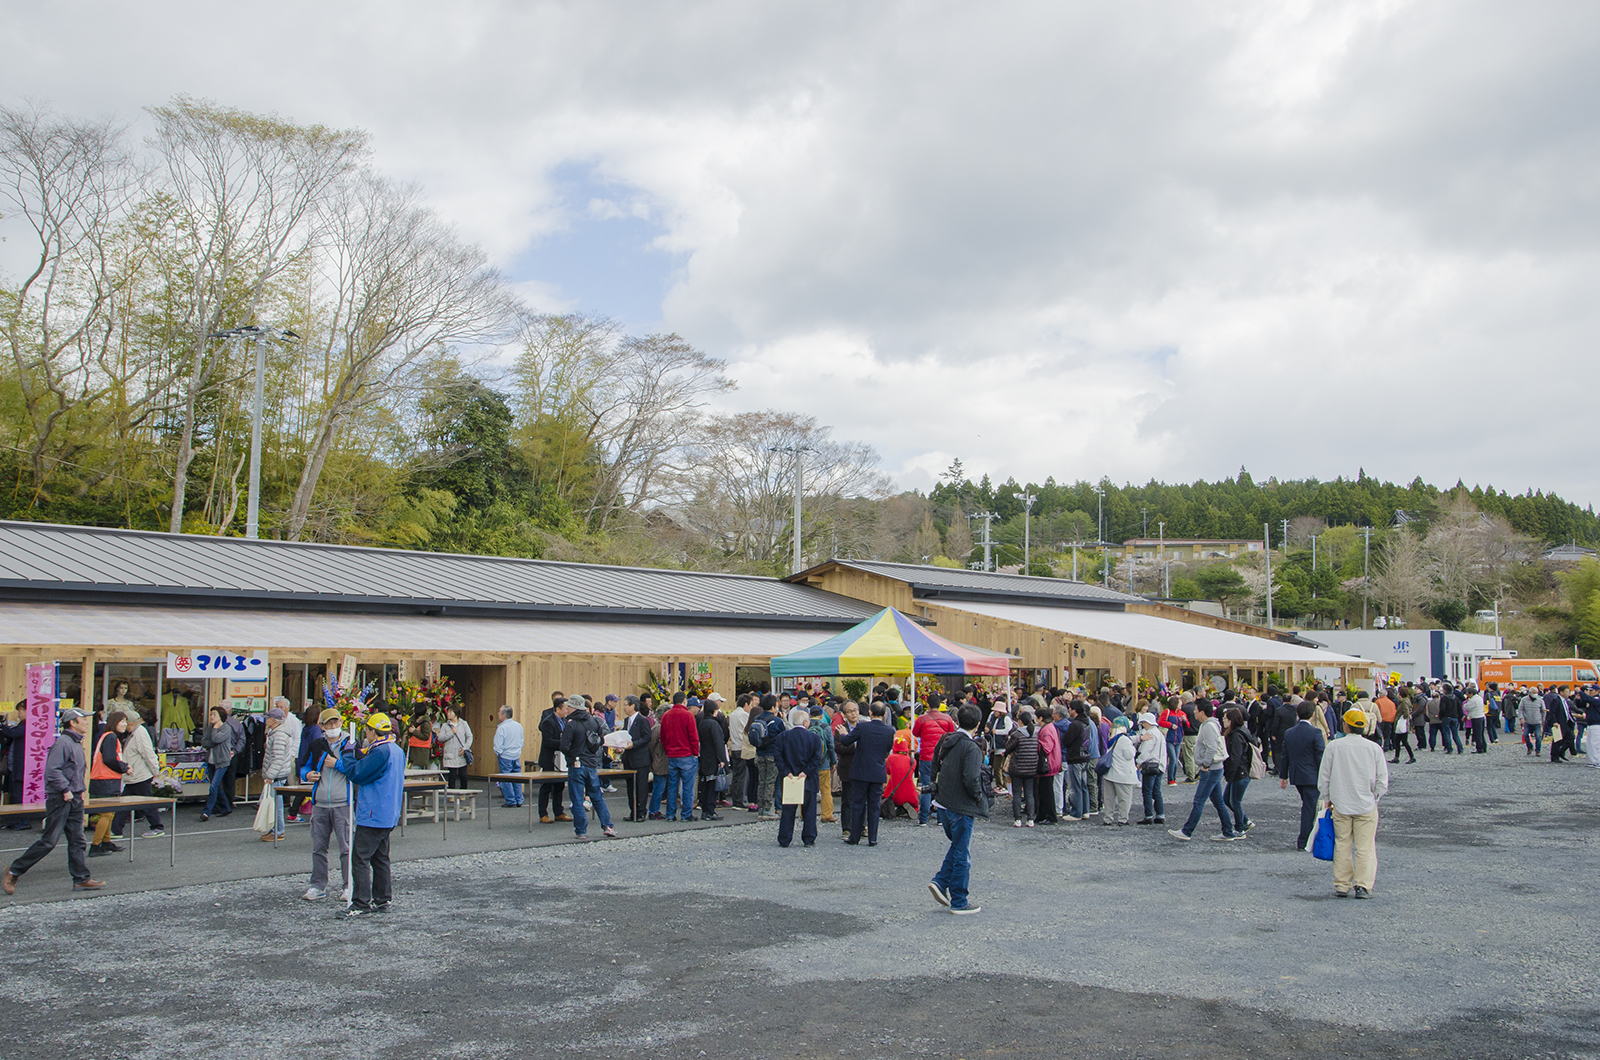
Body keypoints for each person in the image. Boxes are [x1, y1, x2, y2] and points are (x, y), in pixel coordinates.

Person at [3, 708, 102, 894]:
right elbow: (52, 770)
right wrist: (65, 789)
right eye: (84, 719)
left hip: (74, 797)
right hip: (62, 798)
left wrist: (77, 791)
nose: (87, 722)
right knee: (49, 841)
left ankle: (81, 879)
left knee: (78, 839)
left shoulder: (75, 742)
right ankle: (14, 870)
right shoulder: (63, 743)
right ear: (73, 722)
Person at [337, 712, 405, 916]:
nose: (366, 733)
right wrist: (358, 754)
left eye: (367, 730)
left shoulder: (380, 752)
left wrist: (348, 755)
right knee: (380, 857)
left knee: (360, 857)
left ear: (374, 732)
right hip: (388, 811)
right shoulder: (395, 749)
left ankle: (360, 902)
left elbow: (357, 773)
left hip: (374, 812)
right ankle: (383, 899)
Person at [1319, 708, 1390, 899]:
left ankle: (1342, 884)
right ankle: (1363, 885)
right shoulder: (1374, 748)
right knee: (1365, 846)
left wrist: (1327, 798)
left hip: (1340, 803)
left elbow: (1324, 776)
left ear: (1346, 725)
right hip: (1366, 804)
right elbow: (1382, 779)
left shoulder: (1334, 746)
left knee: (1342, 843)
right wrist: (1375, 797)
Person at [928, 703, 988, 915]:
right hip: (961, 805)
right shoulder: (971, 747)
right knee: (963, 852)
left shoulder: (946, 740)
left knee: (957, 846)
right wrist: (978, 796)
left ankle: (941, 881)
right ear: (978, 724)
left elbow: (934, 765)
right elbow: (971, 778)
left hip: (943, 802)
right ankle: (959, 900)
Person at [300, 709, 352, 901]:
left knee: (346, 847)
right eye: (328, 723)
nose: (332, 726)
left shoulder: (350, 744)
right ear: (322, 726)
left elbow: (356, 769)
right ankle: (317, 885)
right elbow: (304, 765)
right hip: (320, 803)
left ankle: (349, 885)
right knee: (318, 848)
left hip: (342, 802)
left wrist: (336, 764)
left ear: (341, 722)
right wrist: (307, 774)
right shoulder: (317, 745)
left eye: (335, 722)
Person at [1169, 701, 1235, 841]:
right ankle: (1228, 831)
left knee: (1199, 800)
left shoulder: (1208, 726)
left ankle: (1187, 831)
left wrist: (1206, 764)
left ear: (1202, 712)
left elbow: (1211, 747)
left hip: (1210, 769)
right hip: (1215, 768)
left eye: (1196, 710)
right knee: (1218, 801)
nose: (1194, 712)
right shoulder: (1211, 724)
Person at [560, 697, 617, 840]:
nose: (567, 709)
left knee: (577, 799)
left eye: (569, 707)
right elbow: (601, 739)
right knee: (597, 796)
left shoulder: (571, 725)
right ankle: (607, 826)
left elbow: (564, 747)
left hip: (576, 764)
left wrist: (571, 755)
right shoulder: (594, 722)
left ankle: (581, 831)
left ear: (574, 708)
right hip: (591, 764)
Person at [837, 701, 894, 845]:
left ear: (870, 713)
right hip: (877, 771)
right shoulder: (890, 730)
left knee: (858, 804)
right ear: (885, 714)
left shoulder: (862, 727)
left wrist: (843, 734)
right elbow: (887, 749)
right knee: (874, 805)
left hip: (861, 771)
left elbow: (846, 741)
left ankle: (854, 836)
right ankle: (872, 838)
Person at [109, 708, 163, 841]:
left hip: (140, 775)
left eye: (124, 722)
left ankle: (157, 826)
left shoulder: (139, 733)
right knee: (125, 804)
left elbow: (148, 753)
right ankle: (116, 830)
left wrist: (155, 771)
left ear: (129, 723)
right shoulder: (134, 733)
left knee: (145, 803)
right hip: (134, 776)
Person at [1279, 701, 1327, 850]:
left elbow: (1285, 755)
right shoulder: (1315, 732)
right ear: (1313, 714)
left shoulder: (1289, 732)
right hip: (1312, 775)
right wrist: (1325, 775)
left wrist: (1283, 776)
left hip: (1297, 774)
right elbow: (1320, 755)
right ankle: (1304, 840)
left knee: (1307, 804)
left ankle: (1307, 838)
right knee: (1309, 807)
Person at [773, 706, 823, 847]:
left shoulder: (783, 737)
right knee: (809, 810)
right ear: (806, 723)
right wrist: (806, 772)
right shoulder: (814, 738)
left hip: (790, 778)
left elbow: (778, 756)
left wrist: (786, 771)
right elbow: (816, 758)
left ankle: (784, 839)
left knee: (788, 810)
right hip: (808, 779)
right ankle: (809, 838)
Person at [87, 710, 130, 856]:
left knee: (108, 813)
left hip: (101, 779)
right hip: (106, 780)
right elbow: (110, 759)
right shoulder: (111, 737)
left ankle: (106, 842)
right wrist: (124, 767)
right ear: (114, 722)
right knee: (106, 814)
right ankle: (95, 845)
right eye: (122, 721)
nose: (125, 724)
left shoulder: (106, 736)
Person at [659, 693, 701, 823]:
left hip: (672, 754)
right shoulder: (688, 715)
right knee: (688, 786)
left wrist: (667, 750)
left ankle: (670, 814)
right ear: (684, 701)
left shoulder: (666, 715)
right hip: (687, 754)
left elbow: (663, 737)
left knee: (672, 786)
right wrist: (695, 752)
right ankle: (686, 814)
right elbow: (693, 736)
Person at [912, 699, 955, 826]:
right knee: (941, 787)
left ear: (928, 705)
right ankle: (941, 818)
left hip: (926, 756)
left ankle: (923, 819)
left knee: (926, 786)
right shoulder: (947, 719)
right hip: (943, 756)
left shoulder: (921, 719)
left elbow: (915, 733)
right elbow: (952, 733)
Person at [260, 706, 296, 843]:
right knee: (275, 804)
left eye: (268, 718)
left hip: (277, 775)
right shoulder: (276, 732)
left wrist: (270, 775)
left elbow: (277, 758)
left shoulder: (279, 735)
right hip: (278, 773)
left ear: (274, 720)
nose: (266, 720)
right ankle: (275, 829)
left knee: (276, 805)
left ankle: (278, 830)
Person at [746, 694, 785, 819]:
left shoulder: (757, 718)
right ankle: (767, 809)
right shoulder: (776, 721)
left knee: (761, 781)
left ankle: (761, 808)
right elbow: (783, 736)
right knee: (770, 782)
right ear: (773, 707)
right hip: (772, 754)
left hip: (759, 754)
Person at [1221, 706, 1257, 836]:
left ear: (1231, 721)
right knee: (1228, 799)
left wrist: (1229, 773)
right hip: (1241, 771)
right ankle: (1244, 821)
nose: (1223, 720)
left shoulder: (1236, 736)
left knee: (1234, 801)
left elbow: (1235, 757)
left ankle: (1240, 828)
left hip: (1240, 772)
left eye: (1225, 718)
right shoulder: (1242, 732)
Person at [617, 696, 653, 821]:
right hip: (629, 758)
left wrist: (634, 744)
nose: (624, 707)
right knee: (630, 786)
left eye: (625, 705)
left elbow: (647, 737)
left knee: (641, 787)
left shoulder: (643, 720)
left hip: (640, 758)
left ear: (633, 706)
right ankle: (633, 811)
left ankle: (641, 812)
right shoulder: (627, 721)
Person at [1100, 716, 1138, 825]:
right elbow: (1129, 755)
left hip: (1110, 773)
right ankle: (1122, 819)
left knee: (1109, 799)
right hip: (1122, 775)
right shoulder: (1124, 740)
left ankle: (1108, 818)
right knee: (1124, 798)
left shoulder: (1111, 738)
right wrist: (1134, 748)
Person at [535, 695, 568, 822]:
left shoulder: (564, 721)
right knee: (547, 786)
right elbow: (548, 741)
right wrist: (563, 743)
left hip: (560, 759)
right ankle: (543, 814)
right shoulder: (548, 722)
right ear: (558, 709)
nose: (567, 711)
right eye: (565, 708)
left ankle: (558, 812)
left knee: (559, 786)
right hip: (549, 758)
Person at [1004, 711, 1040, 827]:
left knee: (1017, 794)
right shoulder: (1034, 734)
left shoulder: (1017, 735)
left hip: (1017, 768)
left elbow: (1008, 748)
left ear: (1020, 721)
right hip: (1031, 768)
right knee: (1029, 793)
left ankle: (1018, 819)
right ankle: (1030, 819)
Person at [199, 706, 234, 822]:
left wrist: (215, 730)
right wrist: (213, 739)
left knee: (213, 786)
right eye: (211, 714)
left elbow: (215, 739)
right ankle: (226, 807)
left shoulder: (226, 728)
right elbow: (204, 741)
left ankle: (206, 811)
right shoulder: (210, 727)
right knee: (217, 786)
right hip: (211, 760)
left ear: (221, 716)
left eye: (214, 714)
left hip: (222, 761)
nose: (212, 717)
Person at [832, 700, 860, 834]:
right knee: (847, 800)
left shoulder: (864, 727)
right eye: (850, 711)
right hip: (847, 768)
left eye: (855, 710)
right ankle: (847, 828)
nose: (853, 713)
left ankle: (862, 826)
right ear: (844, 714)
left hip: (863, 768)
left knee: (862, 799)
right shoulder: (840, 729)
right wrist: (854, 746)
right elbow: (839, 748)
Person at [1133, 712, 1167, 825]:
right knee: (1156, 791)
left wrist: (1139, 762)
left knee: (1147, 791)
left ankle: (1148, 815)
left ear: (1147, 723)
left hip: (1150, 765)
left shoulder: (1150, 734)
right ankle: (1160, 814)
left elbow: (1146, 751)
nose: (1143, 725)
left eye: (1143, 722)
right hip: (1160, 765)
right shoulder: (1159, 733)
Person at [696, 700, 727, 821]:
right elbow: (718, 743)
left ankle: (705, 810)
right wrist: (722, 759)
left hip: (704, 756)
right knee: (712, 785)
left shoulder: (702, 723)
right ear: (714, 711)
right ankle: (710, 810)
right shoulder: (714, 724)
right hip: (713, 757)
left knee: (706, 784)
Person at [493, 705, 526, 811]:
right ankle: (519, 799)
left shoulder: (501, 728)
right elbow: (521, 741)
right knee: (517, 778)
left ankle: (511, 800)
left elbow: (498, 745)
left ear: (503, 714)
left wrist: (499, 753)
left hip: (505, 756)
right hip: (516, 755)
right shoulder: (518, 726)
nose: (498, 714)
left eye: (499, 712)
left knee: (506, 779)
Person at [810, 705, 838, 824]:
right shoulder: (826, 727)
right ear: (821, 715)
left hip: (808, 765)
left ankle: (804, 813)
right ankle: (826, 815)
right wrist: (833, 762)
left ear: (810, 715)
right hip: (823, 763)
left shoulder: (806, 725)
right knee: (825, 790)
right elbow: (831, 746)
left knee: (808, 789)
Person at [436, 706, 473, 792]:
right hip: (450, 754)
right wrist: (451, 733)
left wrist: (465, 748)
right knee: (452, 776)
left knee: (463, 775)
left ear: (456, 714)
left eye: (450, 712)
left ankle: (463, 793)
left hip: (461, 754)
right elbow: (440, 738)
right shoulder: (445, 725)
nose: (448, 714)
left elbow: (469, 736)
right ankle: (451, 794)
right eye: (448, 712)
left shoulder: (463, 724)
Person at [727, 693, 752, 811]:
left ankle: (735, 799)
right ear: (746, 704)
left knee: (736, 775)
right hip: (742, 747)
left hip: (734, 746)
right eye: (750, 705)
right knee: (742, 775)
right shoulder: (743, 715)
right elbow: (747, 731)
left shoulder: (732, 715)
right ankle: (739, 801)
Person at [1518, 687, 1545, 756]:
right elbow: (1520, 710)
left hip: (1537, 722)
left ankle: (1538, 750)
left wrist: (1543, 720)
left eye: (1536, 693)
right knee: (1525, 735)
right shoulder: (1524, 700)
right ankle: (1530, 746)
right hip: (1527, 721)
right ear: (1530, 693)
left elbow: (1543, 711)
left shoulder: (1540, 700)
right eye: (1534, 693)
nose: (1536, 694)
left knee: (1538, 737)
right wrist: (1521, 718)